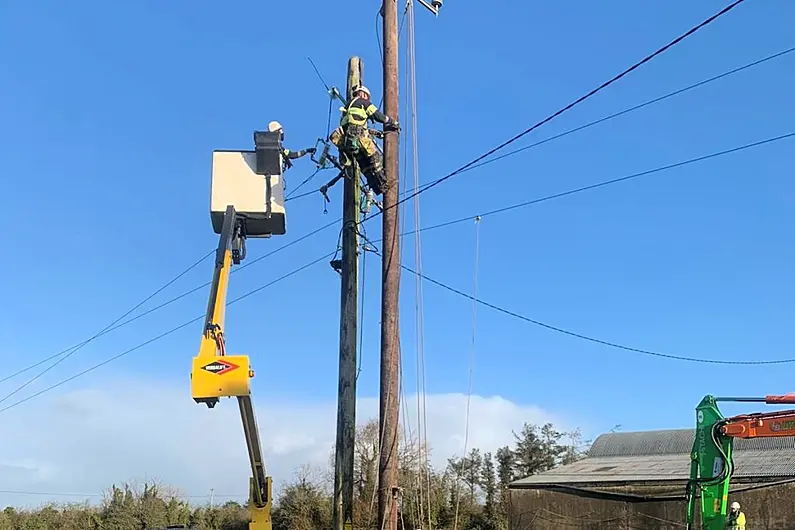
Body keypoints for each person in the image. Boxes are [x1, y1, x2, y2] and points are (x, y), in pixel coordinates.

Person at [328, 85, 400, 195]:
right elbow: (377, 115)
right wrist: (392, 122)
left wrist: (375, 133)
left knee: (365, 165)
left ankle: (377, 188)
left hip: (348, 142)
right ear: (363, 94)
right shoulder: (363, 102)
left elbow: (354, 123)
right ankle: (383, 182)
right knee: (374, 158)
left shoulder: (347, 107)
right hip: (359, 137)